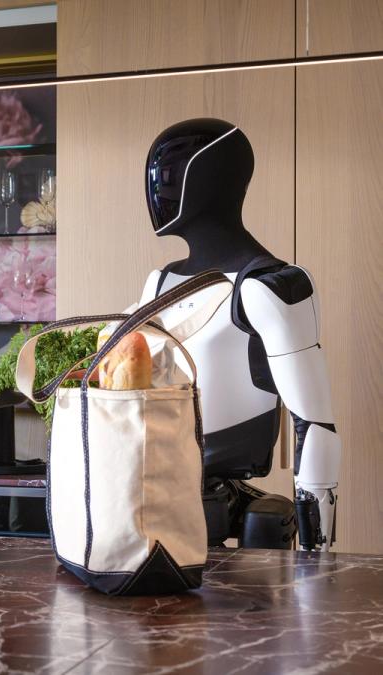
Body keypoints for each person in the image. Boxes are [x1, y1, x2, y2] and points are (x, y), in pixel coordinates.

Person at [138, 118, 340, 551]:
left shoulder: (271, 286)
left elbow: (314, 422)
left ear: (213, 178)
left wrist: (316, 551)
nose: (157, 188)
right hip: (153, 489)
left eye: (170, 173)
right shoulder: (158, 283)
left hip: (228, 501)